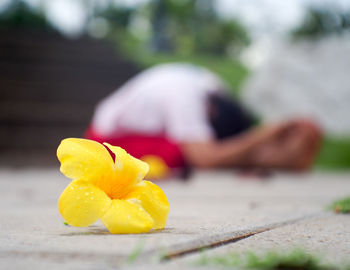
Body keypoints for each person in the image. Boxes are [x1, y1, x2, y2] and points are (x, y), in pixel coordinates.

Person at [86, 63, 322, 177]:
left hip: (146, 131)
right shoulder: (185, 96)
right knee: (185, 154)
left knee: (210, 153)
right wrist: (265, 135)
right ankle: (279, 158)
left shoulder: (212, 88)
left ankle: (279, 157)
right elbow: (206, 159)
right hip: (105, 141)